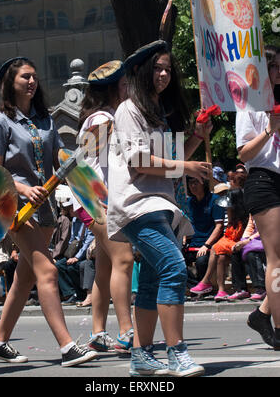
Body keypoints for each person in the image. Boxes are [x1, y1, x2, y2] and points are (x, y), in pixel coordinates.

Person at [0, 57, 97, 366]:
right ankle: (67, 346)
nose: (32, 82)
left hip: (47, 209)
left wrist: (88, 152)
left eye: (34, 77)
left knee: (24, 279)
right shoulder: (1, 122)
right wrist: (22, 189)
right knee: (48, 271)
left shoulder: (46, 119)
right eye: (25, 77)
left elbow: (61, 159)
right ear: (10, 83)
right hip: (16, 209)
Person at [107, 40, 210, 377]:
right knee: (175, 268)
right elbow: (140, 162)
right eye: (158, 68)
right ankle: (177, 352)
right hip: (138, 206)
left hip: (161, 205)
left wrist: (197, 136)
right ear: (140, 72)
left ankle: (141, 354)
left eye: (168, 69)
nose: (164, 74)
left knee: (152, 282)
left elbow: (171, 160)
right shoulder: (128, 109)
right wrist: (187, 168)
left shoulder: (156, 112)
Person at [74, 60, 134, 353]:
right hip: (97, 200)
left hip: (98, 201)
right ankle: (126, 331)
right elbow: (90, 162)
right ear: (111, 89)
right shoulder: (101, 119)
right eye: (124, 85)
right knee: (124, 260)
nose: (128, 89)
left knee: (105, 268)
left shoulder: (104, 116)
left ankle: (98, 333)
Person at [236, 45, 280, 349]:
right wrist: (269, 129)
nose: (279, 71)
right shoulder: (248, 103)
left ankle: (264, 313)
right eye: (274, 66)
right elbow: (243, 153)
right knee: (277, 258)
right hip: (262, 180)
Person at [190, 188, 249, 302]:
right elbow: (228, 235)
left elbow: (237, 237)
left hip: (240, 246)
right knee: (221, 257)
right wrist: (231, 215)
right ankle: (221, 290)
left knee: (215, 248)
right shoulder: (232, 217)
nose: (227, 208)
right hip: (230, 246)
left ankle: (205, 281)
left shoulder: (245, 218)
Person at [183, 177, 225, 285]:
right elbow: (186, 223)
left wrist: (206, 245)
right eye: (190, 183)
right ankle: (196, 286)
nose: (193, 186)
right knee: (175, 262)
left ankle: (203, 287)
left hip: (210, 244)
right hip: (192, 243)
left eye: (196, 182)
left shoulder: (215, 200)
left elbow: (219, 227)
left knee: (201, 261)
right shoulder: (189, 202)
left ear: (204, 183)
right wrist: (183, 238)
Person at [229, 215, 266, 301]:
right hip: (255, 240)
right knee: (236, 252)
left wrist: (248, 240)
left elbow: (266, 228)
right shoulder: (252, 210)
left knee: (251, 254)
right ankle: (241, 289)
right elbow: (250, 227)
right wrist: (242, 241)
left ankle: (261, 288)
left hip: (268, 238)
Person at [56, 222, 95, 304]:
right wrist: (70, 254)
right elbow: (72, 239)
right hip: (75, 252)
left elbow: (87, 242)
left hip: (86, 253)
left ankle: (81, 294)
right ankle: (70, 293)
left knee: (73, 267)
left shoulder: (87, 220)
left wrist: (77, 257)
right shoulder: (74, 220)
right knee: (59, 265)